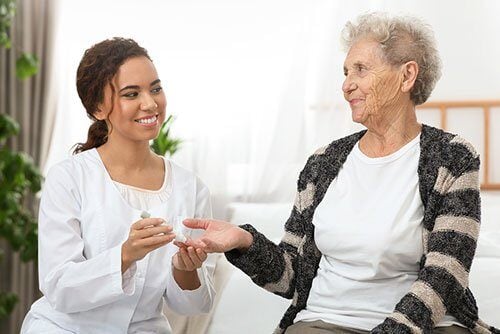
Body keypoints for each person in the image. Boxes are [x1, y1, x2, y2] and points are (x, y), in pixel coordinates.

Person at [181, 13, 499, 334]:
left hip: (424, 327)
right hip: (327, 322)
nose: (346, 85)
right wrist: (245, 242)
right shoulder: (322, 163)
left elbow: (447, 272)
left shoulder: (451, 157)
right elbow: (294, 277)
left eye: (360, 69)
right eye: (345, 72)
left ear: (407, 76)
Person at [21, 37, 216, 333]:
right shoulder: (68, 178)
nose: (150, 103)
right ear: (99, 108)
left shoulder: (192, 188)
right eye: (131, 93)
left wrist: (185, 270)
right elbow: (59, 287)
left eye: (156, 88)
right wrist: (125, 254)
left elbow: (193, 306)